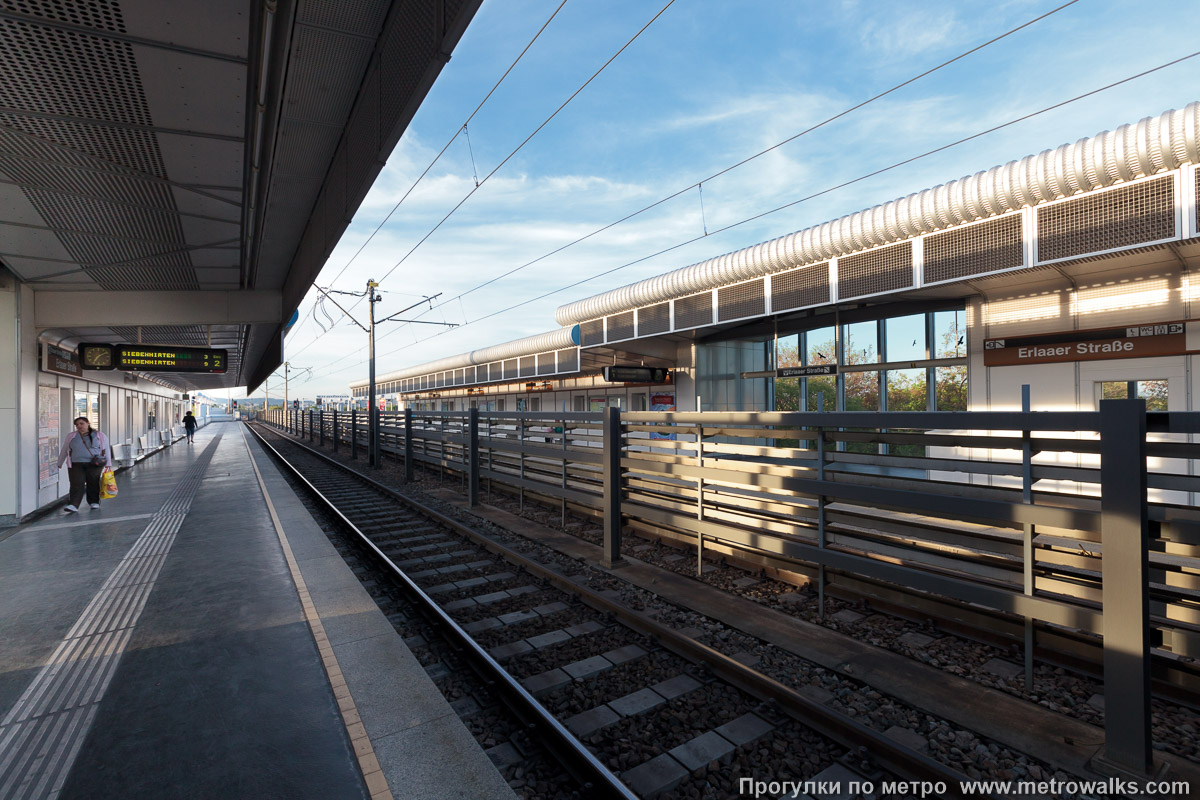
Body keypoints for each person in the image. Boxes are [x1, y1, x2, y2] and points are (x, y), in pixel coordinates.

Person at [56, 417, 111, 513]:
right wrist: (60, 462)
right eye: (77, 425)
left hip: (94, 464)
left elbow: (106, 449)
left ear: (88, 423)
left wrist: (108, 464)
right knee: (76, 483)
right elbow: (65, 449)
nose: (79, 426)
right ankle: (73, 504)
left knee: (93, 482)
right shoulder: (71, 436)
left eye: (81, 423)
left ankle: (94, 502)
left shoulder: (99, 435)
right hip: (76, 464)